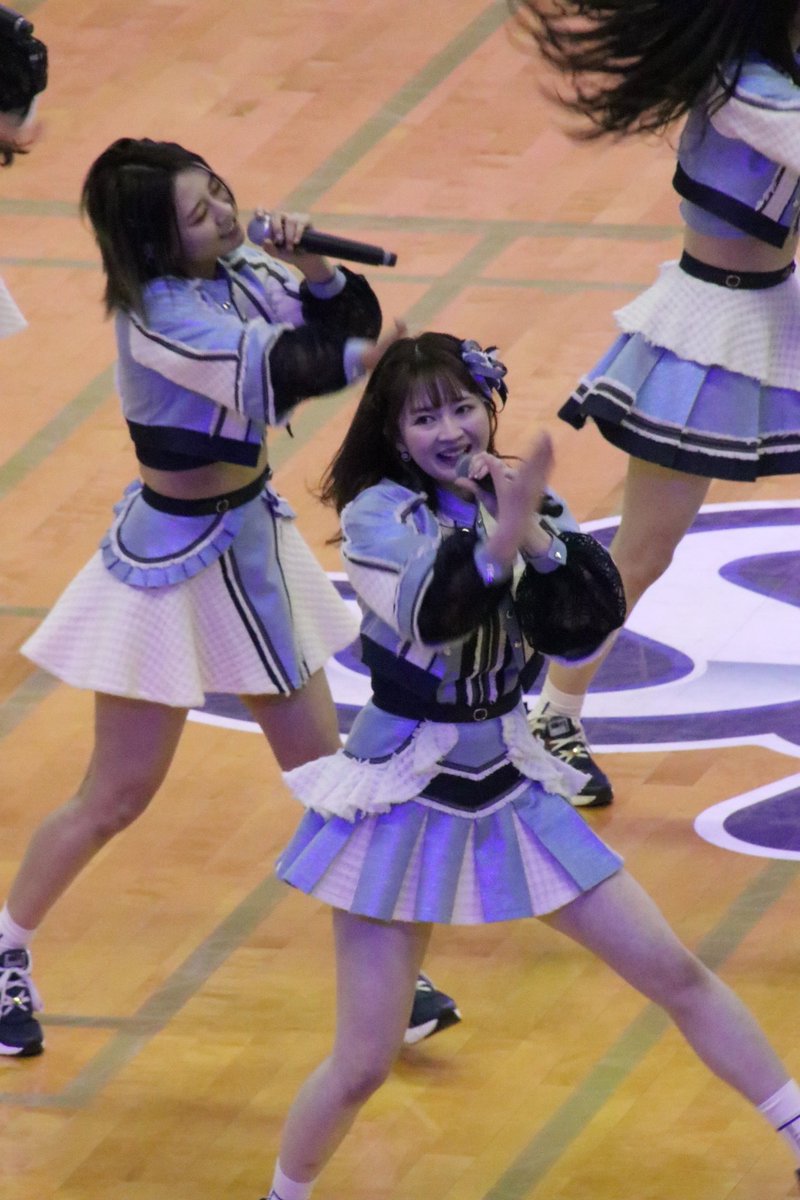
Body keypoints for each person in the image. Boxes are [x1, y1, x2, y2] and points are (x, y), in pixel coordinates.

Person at [255, 331, 800, 1200]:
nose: (450, 429)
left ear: (489, 410)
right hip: (402, 794)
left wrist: (538, 538)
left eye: (462, 407)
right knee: (361, 1065)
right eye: (425, 417)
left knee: (676, 974)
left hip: (511, 784)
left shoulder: (529, 502)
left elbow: (581, 630)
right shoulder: (376, 517)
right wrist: (498, 541)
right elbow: (431, 617)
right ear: (394, 435)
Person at [0, 137, 459, 1057]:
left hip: (252, 550)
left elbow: (334, 324)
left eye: (216, 190)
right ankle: (6, 947)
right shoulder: (160, 319)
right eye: (197, 211)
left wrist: (315, 269)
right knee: (115, 796)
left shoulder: (241, 265)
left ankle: (388, 977)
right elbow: (287, 369)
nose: (222, 211)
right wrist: (365, 356)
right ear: (153, 243)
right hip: (168, 565)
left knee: (329, 779)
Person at [511, 0, 800, 806]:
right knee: (643, 553)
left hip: (778, 315)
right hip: (709, 333)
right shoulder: (745, 89)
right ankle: (552, 714)